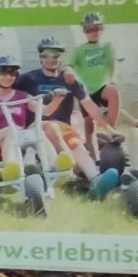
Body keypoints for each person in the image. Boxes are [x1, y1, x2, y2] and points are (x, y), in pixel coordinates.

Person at [20, 37, 116, 196]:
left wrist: (108, 128)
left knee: (77, 144)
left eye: (56, 55)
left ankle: (95, 180)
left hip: (63, 127)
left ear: (61, 57)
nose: (52, 59)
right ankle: (65, 168)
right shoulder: (28, 79)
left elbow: (90, 106)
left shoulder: (70, 80)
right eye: (46, 55)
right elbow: (7, 92)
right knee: (53, 130)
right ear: (40, 57)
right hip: (36, 126)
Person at [68, 11, 120, 127]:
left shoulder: (107, 46)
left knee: (113, 92)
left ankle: (112, 130)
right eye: (88, 30)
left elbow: (114, 63)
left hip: (101, 87)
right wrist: (69, 72)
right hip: (85, 90)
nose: (93, 33)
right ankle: (90, 144)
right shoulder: (78, 50)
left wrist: (113, 79)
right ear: (84, 31)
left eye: (96, 28)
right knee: (89, 125)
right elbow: (69, 65)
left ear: (102, 28)